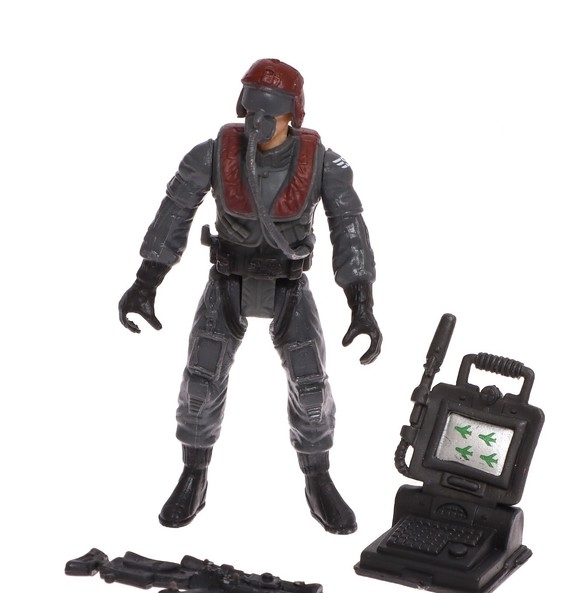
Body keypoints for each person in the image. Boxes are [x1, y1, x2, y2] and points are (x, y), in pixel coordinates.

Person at [118, 58, 381, 534]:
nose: (257, 123)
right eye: (251, 112)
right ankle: (194, 474)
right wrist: (145, 282)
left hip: (288, 285)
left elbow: (349, 230)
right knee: (200, 381)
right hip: (228, 281)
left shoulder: (323, 164)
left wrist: (361, 304)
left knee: (311, 385)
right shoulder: (213, 154)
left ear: (292, 115)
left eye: (269, 114)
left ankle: (318, 477)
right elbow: (174, 213)